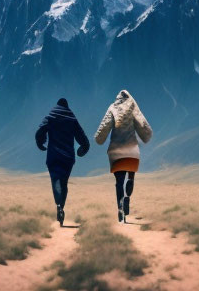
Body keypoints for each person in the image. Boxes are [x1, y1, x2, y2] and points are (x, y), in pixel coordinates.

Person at [94, 89, 152, 223]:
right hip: (132, 151)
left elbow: (103, 129)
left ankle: (120, 207)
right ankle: (127, 197)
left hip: (116, 151)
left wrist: (99, 139)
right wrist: (147, 136)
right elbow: (144, 126)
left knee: (119, 182)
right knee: (130, 176)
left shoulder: (112, 108)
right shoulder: (133, 108)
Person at [35, 97, 90, 226]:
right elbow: (82, 137)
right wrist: (83, 149)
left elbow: (40, 131)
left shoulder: (51, 115)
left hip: (53, 155)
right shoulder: (72, 118)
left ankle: (58, 204)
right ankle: (61, 206)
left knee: (55, 180)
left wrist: (40, 142)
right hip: (68, 157)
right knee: (64, 182)